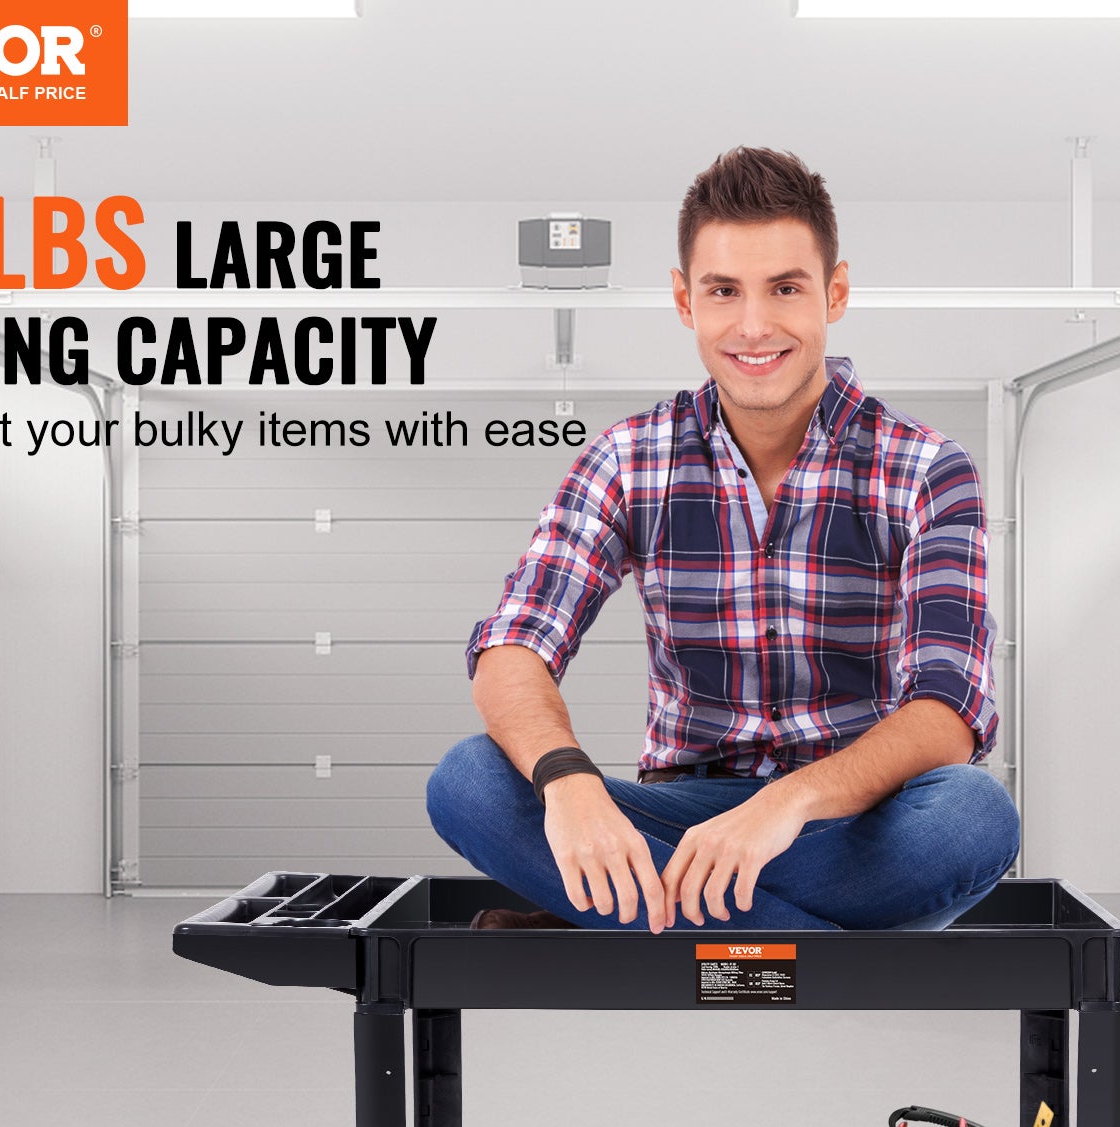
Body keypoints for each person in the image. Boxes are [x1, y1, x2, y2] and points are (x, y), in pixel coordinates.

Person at [427, 147, 1018, 934]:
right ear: (684, 300)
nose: (753, 325)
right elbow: (514, 646)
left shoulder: (925, 467)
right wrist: (570, 784)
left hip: (853, 817)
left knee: (973, 817)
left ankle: (628, 920)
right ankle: (816, 946)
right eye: (723, 291)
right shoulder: (628, 459)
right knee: (468, 778)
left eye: (785, 288)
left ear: (834, 292)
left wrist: (786, 803)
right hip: (684, 810)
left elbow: (947, 710)